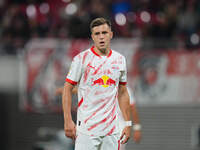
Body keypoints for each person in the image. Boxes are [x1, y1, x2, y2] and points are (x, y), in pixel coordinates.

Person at [62, 17, 131, 150]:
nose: (101, 37)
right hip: (87, 130)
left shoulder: (120, 60)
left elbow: (122, 92)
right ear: (92, 37)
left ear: (111, 34)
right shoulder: (81, 59)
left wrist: (127, 123)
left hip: (112, 131)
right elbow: (67, 88)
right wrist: (68, 120)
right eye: (97, 34)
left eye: (104, 33)